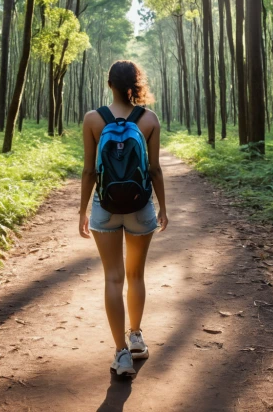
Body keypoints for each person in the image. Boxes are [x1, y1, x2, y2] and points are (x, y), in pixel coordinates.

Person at [79, 60, 169, 376]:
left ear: (110, 85)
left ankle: (121, 354)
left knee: (113, 279)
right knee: (137, 276)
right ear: (135, 85)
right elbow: (154, 169)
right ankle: (137, 338)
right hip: (140, 208)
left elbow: (90, 170)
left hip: (105, 208)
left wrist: (82, 210)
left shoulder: (93, 119)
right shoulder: (149, 119)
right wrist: (163, 207)